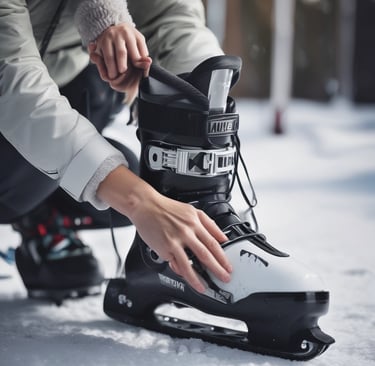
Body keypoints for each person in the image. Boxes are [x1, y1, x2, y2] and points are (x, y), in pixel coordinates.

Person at [0, 0, 232, 299]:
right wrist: (141, 202)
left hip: (45, 102)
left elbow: (171, 16)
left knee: (144, 174)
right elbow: (14, 86)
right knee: (130, 189)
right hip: (15, 100)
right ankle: (37, 198)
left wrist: (206, 107)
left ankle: (42, 213)